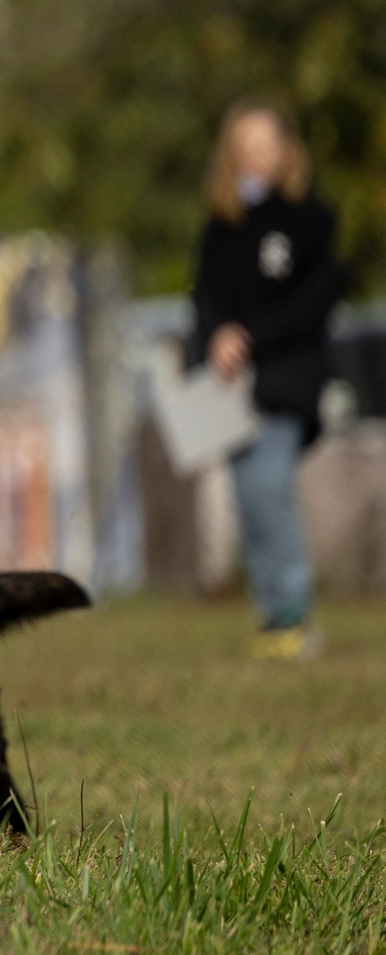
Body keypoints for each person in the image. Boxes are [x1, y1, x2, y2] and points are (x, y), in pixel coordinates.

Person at [190, 99, 345, 660]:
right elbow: (204, 297)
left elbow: (313, 302)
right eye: (243, 147)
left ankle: (294, 613)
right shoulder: (221, 226)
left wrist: (249, 335)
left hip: (284, 380)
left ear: (286, 150)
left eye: (264, 144)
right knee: (247, 498)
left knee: (269, 489)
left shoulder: (310, 221)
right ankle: (272, 614)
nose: (254, 156)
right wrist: (216, 336)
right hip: (230, 388)